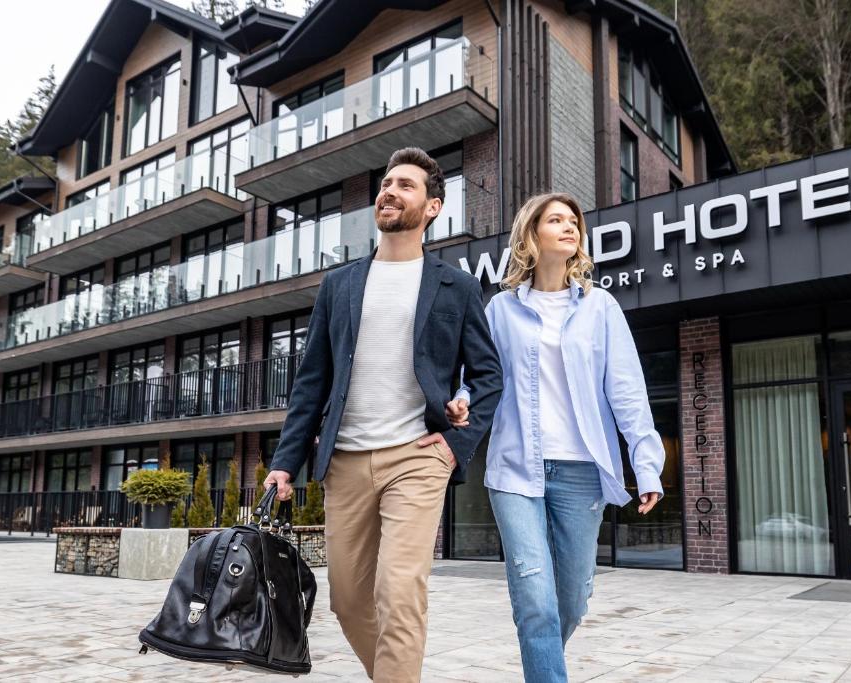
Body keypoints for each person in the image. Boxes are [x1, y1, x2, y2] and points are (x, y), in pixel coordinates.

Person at [263, 147, 502, 683]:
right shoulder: (339, 284)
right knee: (348, 602)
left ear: (434, 207)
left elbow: (489, 377)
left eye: (406, 185)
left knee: (399, 591)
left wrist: (453, 445)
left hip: (417, 458)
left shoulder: (456, 287)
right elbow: (311, 382)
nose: (389, 191)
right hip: (344, 461)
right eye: (386, 183)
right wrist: (286, 461)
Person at [448, 193, 664, 682]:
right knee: (535, 602)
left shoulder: (600, 307)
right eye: (557, 220)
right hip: (515, 470)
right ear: (532, 234)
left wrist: (645, 462)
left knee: (572, 600)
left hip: (582, 472)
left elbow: (627, 392)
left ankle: (541, 666)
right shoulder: (501, 309)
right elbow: (478, 375)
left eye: (574, 222)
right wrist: (462, 397)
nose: (570, 227)